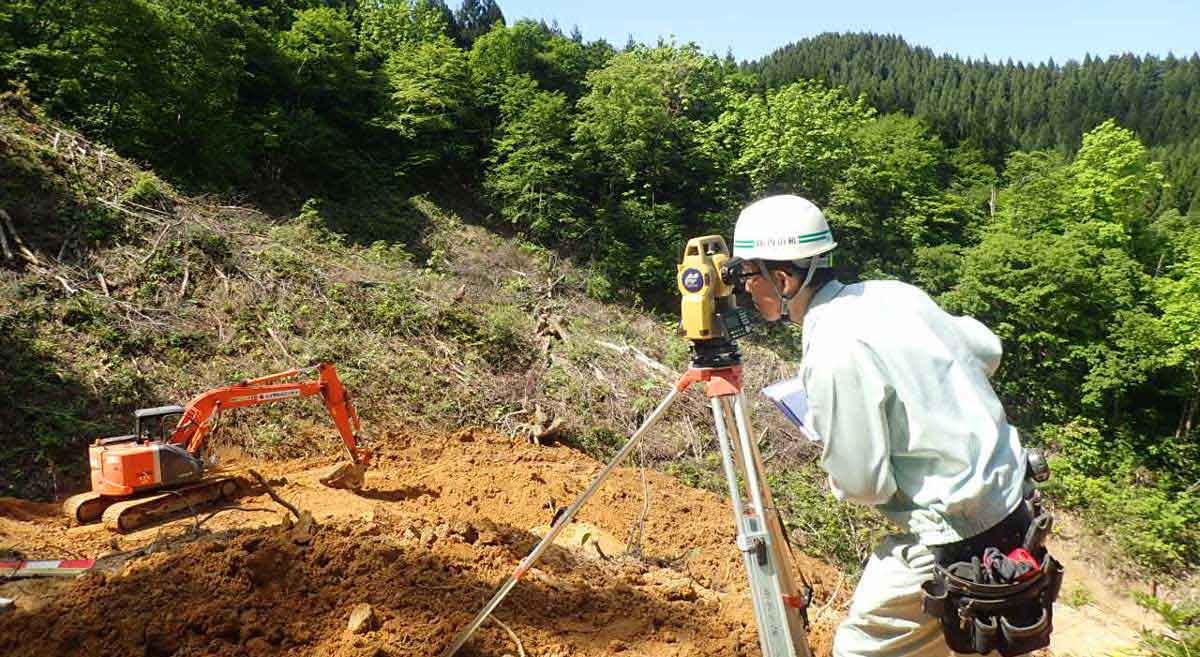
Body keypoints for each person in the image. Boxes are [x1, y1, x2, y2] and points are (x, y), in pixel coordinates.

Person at [732, 194, 1049, 657]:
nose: (742, 289)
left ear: (781, 278)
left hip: (951, 542)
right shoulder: (892, 293)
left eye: (746, 275)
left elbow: (864, 484)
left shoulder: (831, 349)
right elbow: (987, 351)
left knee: (860, 650)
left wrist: (831, 433)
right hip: (1015, 510)